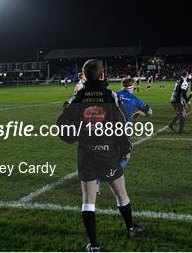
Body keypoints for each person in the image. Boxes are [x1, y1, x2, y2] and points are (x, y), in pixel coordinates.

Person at [56, 59, 144, 252]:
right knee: (121, 194)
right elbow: (119, 125)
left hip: (86, 154)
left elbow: (61, 124)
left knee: (88, 200)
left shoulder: (77, 97)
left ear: (84, 76)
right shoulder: (110, 95)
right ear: (102, 75)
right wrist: (126, 149)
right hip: (108, 153)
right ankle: (131, 228)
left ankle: (94, 246)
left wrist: (75, 137)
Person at [168, 70, 189, 134]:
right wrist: (187, 101)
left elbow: (178, 91)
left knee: (180, 113)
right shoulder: (184, 82)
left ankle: (171, 125)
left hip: (173, 98)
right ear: (187, 75)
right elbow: (183, 93)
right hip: (177, 100)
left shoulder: (178, 80)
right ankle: (181, 130)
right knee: (183, 114)